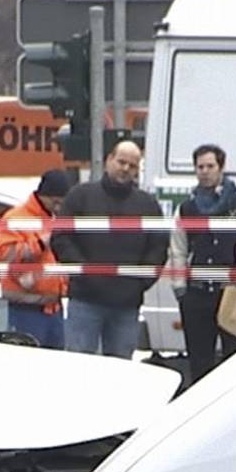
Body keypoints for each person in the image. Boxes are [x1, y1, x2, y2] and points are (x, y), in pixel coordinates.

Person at [53, 139, 167, 357]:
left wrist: (139, 283)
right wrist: (84, 272)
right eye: (121, 162)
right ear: (108, 160)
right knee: (79, 368)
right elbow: (61, 238)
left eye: (132, 165)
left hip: (126, 304)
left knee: (121, 373)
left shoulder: (148, 205)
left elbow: (159, 247)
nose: (125, 169)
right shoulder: (80, 196)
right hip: (85, 300)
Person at [167, 144, 236, 385]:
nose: (205, 172)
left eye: (210, 166)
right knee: (199, 364)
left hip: (231, 292)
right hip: (197, 295)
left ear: (221, 167)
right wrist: (180, 288)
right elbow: (178, 249)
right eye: (200, 167)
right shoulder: (186, 208)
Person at [0, 168, 74, 349]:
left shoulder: (54, 219)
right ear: (44, 195)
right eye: (55, 201)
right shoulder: (15, 218)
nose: (59, 206)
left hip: (54, 309)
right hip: (26, 309)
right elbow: (6, 256)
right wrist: (40, 243)